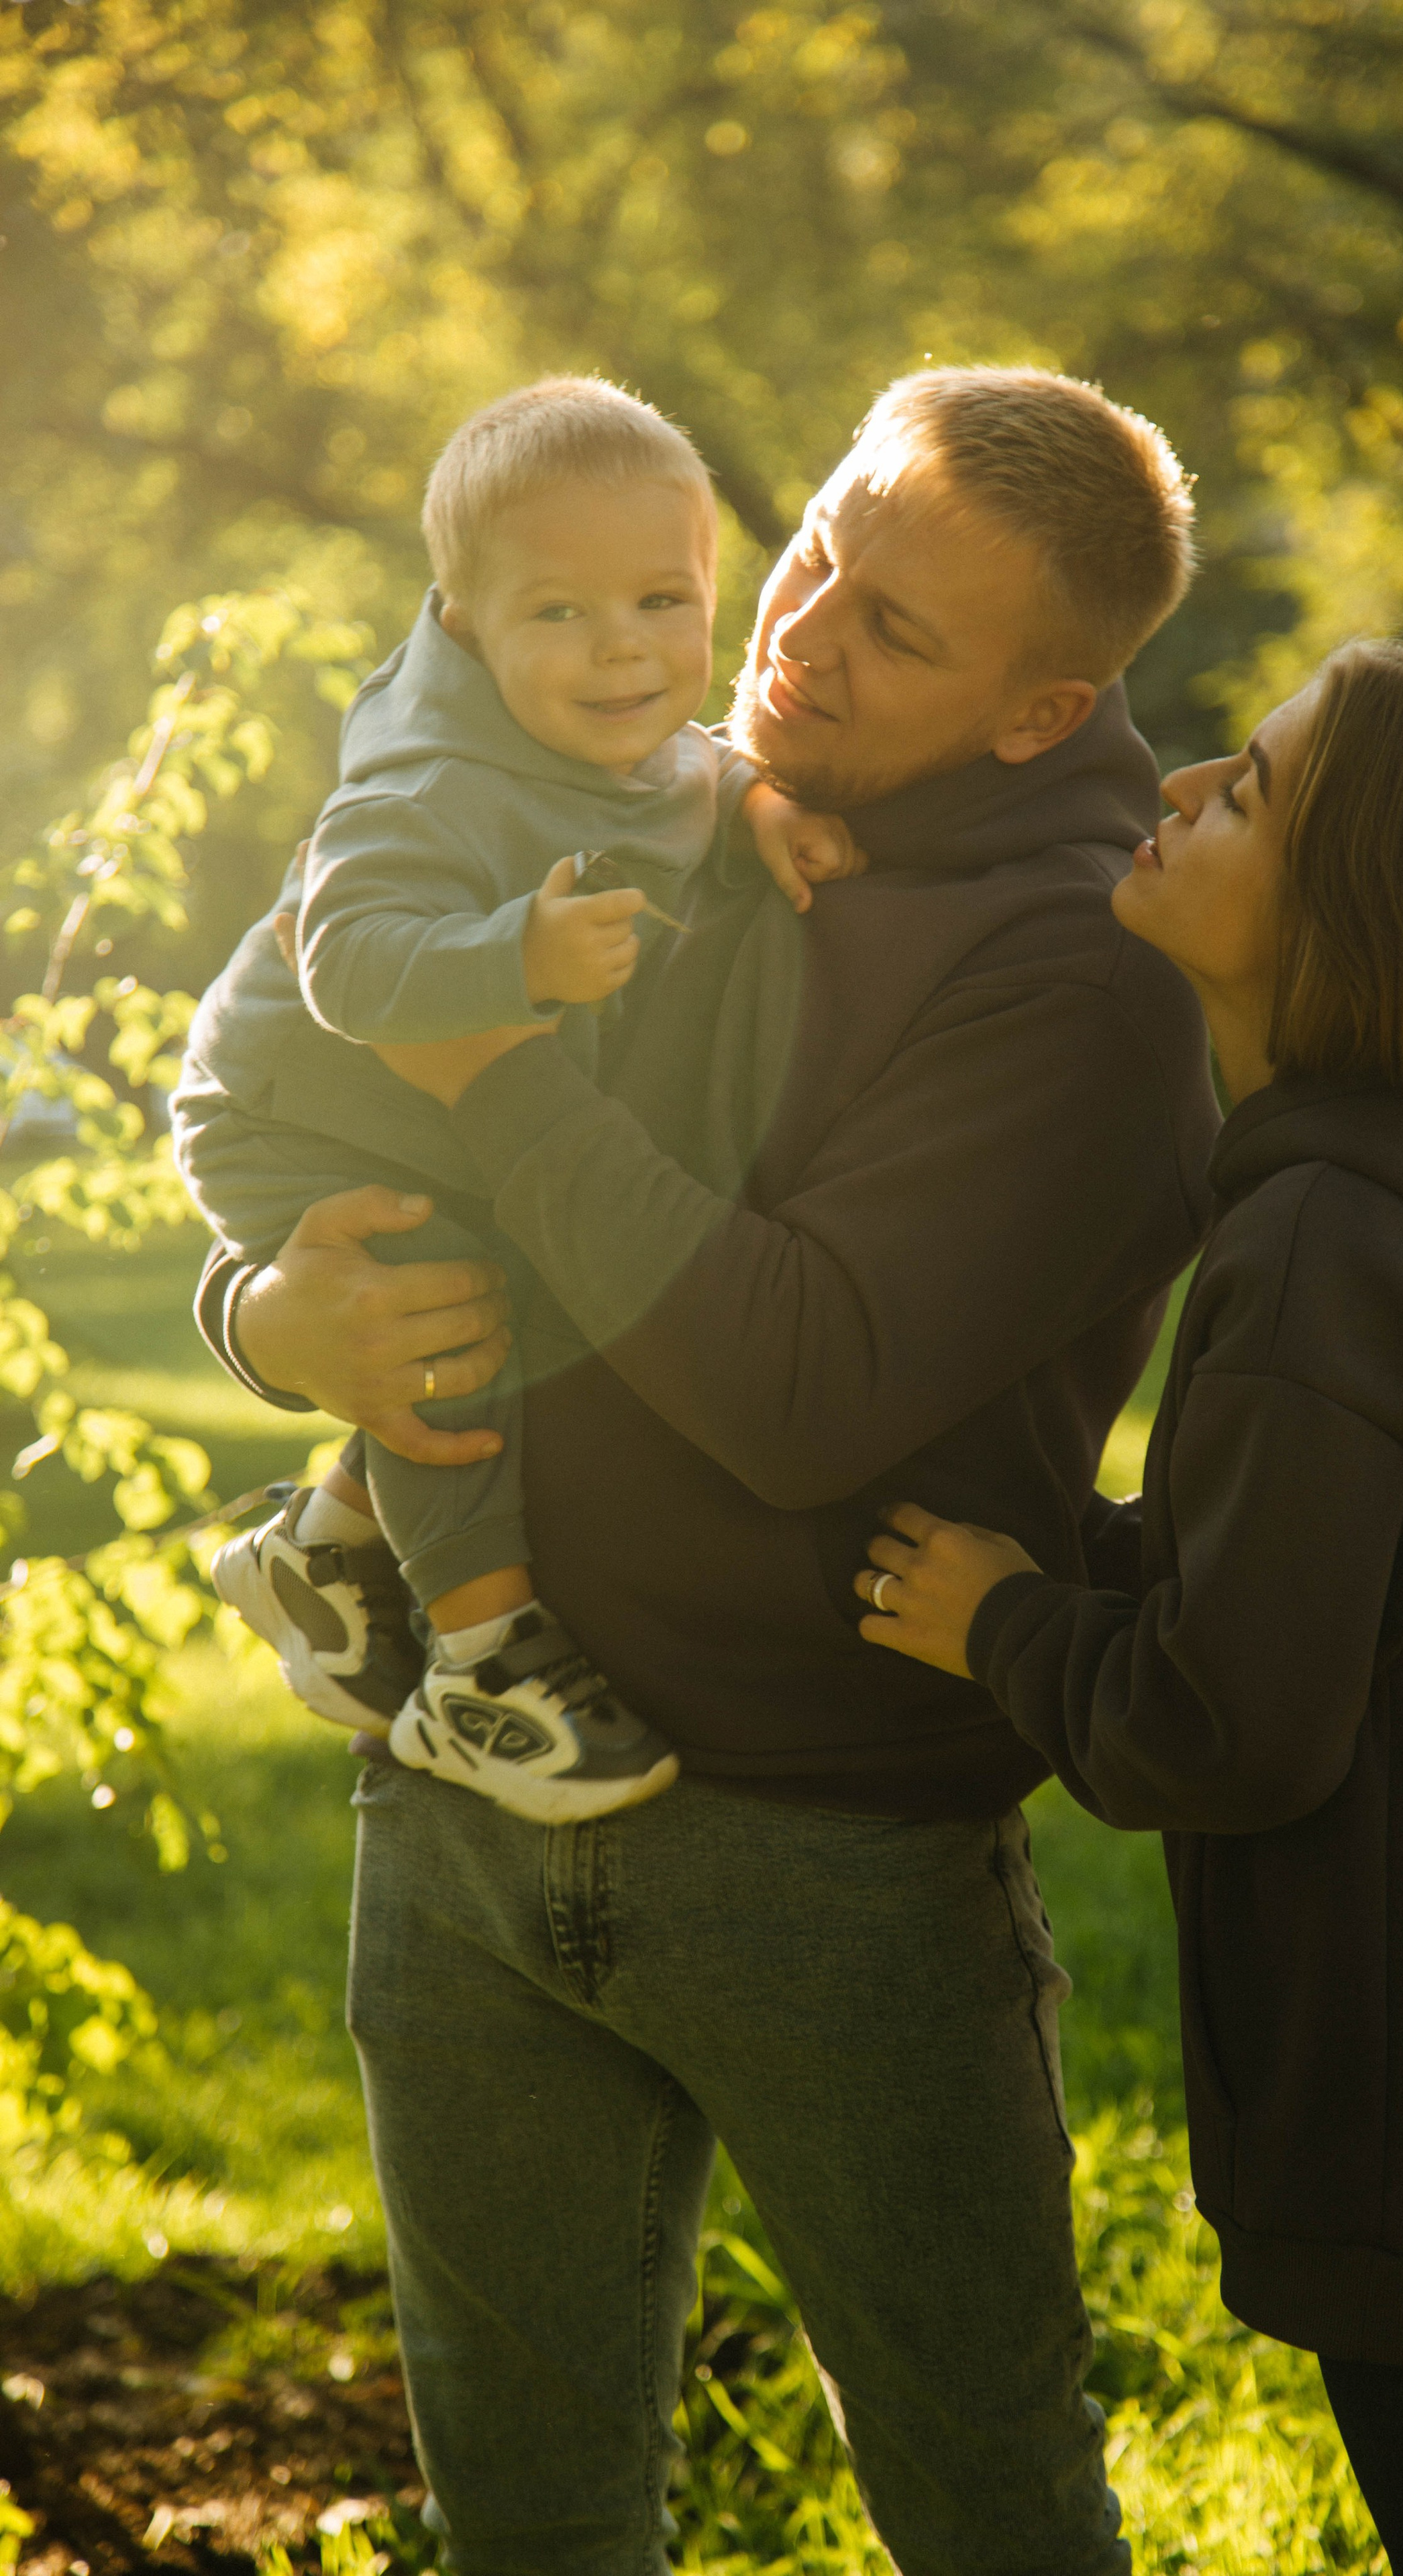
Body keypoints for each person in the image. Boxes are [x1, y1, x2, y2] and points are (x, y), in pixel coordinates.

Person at [193, 366, 1218, 2575]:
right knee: (526, 2516)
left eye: (895, 631)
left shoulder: (1085, 976)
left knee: (989, 2504)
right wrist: (265, 1320)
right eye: (819, 546)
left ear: (1038, 714)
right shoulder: (640, 772)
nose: (795, 634)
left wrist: (488, 1062)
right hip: (471, 1787)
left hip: (823, 1854)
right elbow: (306, 1039)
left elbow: (795, 1386)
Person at [858, 639, 1403, 2574]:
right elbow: (1351, 1582)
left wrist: (999, 1621)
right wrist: (1089, 1554)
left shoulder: (1323, 1243)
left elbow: (1229, 1725)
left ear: (1358, 912)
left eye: (1246, 790)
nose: (1175, 790)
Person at [173, 375, 860, 1824]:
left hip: (412, 1114)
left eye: (663, 601)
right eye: (559, 611)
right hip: (299, 1112)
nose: (623, 647)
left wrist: (755, 801)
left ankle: (322, 1549)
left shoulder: (613, 734)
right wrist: (515, 960)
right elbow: (345, 962)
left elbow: (689, 762)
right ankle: (484, 1667)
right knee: (442, 1317)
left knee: (525, 1281)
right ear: (467, 620)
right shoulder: (422, 784)